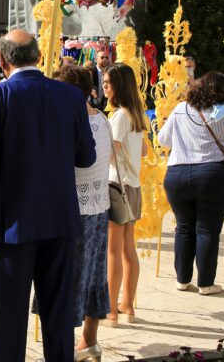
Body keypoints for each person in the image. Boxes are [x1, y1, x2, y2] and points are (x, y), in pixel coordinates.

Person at [0, 30, 96, 362]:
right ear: (37, 56)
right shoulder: (71, 97)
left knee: (9, 319)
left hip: (10, 226)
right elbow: (86, 157)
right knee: (59, 317)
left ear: (3, 61)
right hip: (60, 219)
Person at [158, 72, 224, 295]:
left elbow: (163, 140)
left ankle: (182, 279)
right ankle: (206, 283)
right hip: (213, 174)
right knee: (207, 229)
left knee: (183, 227)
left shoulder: (180, 109)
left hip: (178, 174)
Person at [49, 64, 111, 361]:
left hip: (74, 208)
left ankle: (67, 345)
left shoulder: (69, 122)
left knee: (70, 279)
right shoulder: (102, 118)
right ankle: (90, 340)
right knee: (95, 275)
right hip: (99, 207)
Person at [102, 62, 147, 326]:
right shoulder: (136, 114)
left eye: (108, 82)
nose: (105, 86)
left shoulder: (119, 116)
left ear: (119, 85)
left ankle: (111, 309)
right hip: (133, 186)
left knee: (113, 250)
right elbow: (142, 152)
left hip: (116, 187)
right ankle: (127, 304)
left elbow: (111, 152)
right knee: (129, 249)